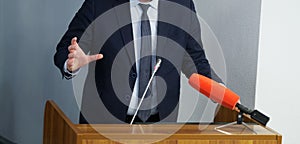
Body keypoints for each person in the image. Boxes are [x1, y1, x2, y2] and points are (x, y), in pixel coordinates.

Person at [54, 0, 222, 124]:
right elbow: (65, 49)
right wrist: (71, 64)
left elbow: (194, 60)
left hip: (160, 124)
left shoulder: (183, 6)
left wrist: (222, 93)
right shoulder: (99, 4)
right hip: (103, 123)